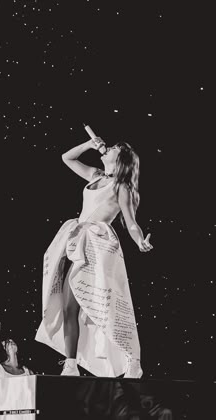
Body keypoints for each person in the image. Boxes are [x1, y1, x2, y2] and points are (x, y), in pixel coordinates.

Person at [35, 136, 153, 378]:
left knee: (105, 308)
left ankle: (131, 360)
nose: (107, 148)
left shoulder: (121, 186)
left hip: (98, 246)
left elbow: (131, 222)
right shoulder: (96, 175)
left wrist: (139, 240)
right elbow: (67, 158)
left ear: (120, 159)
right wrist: (89, 145)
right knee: (69, 306)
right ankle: (70, 364)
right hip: (78, 241)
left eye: (113, 149)